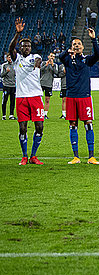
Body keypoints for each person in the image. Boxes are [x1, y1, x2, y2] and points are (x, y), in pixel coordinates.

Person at [59, 28, 99, 164]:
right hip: (71, 96)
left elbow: (98, 55)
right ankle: (76, 157)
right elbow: (60, 57)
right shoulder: (67, 60)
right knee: (73, 124)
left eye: (79, 44)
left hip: (84, 96)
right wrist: (67, 51)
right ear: (71, 47)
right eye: (74, 44)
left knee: (88, 124)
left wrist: (93, 39)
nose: (76, 46)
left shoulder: (86, 60)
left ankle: (91, 157)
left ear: (82, 47)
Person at [9, 18, 44, 165]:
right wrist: (17, 34)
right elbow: (11, 49)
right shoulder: (16, 60)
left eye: (29, 46)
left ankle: (33, 156)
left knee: (39, 127)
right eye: (24, 46)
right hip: (21, 97)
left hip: (36, 96)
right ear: (20, 48)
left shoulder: (35, 57)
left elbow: (38, 61)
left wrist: (36, 65)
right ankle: (24, 156)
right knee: (22, 128)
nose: (27, 48)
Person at [40, 52, 58, 119]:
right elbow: (40, 70)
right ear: (48, 57)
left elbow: (56, 73)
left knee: (47, 100)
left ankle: (45, 114)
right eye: (51, 56)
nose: (52, 57)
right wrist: (46, 65)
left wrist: (52, 65)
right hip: (42, 83)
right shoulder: (44, 63)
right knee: (39, 99)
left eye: (53, 56)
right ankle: (39, 112)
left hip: (49, 84)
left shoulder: (55, 65)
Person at [1, 54, 16, 120]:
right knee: (5, 100)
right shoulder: (4, 65)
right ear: (7, 58)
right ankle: (4, 115)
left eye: (11, 57)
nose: (10, 59)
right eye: (9, 57)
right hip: (6, 85)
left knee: (12, 101)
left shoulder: (14, 65)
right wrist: (6, 72)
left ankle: (11, 115)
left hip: (13, 85)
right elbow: (1, 75)